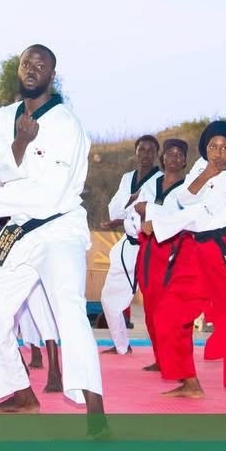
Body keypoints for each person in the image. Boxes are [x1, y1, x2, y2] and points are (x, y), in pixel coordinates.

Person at [0, 44, 104, 418]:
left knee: (68, 311)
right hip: (16, 228)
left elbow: (48, 193)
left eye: (40, 65)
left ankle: (96, 410)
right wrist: (21, 142)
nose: (31, 68)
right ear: (18, 69)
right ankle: (20, 394)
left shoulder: (66, 124)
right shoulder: (5, 116)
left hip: (58, 228)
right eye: (26, 62)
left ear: (51, 76)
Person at [138, 122, 226, 413]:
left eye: (224, 148)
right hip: (196, 249)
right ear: (205, 147)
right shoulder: (202, 166)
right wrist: (206, 173)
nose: (218, 153)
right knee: (169, 313)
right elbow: (184, 197)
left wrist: (157, 222)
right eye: (212, 147)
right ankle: (189, 381)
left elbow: (201, 211)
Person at [0, 152, 62, 387]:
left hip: (30, 240)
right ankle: (18, 369)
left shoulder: (34, 171)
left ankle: (54, 371)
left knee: (39, 306)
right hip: (1, 241)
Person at [129, 138, 189, 373]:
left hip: (174, 249)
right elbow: (135, 212)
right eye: (170, 153)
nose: (174, 158)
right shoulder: (151, 184)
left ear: (185, 160)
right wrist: (142, 222)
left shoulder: (188, 189)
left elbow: (181, 217)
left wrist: (151, 215)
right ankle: (160, 357)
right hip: (147, 249)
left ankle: (176, 359)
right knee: (151, 306)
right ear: (162, 158)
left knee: (170, 308)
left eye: (179, 154)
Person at [98, 135, 161, 355]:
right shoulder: (127, 178)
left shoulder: (161, 180)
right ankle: (122, 345)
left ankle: (164, 354)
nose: (145, 154)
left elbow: (152, 212)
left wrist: (130, 207)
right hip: (128, 246)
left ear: (156, 154)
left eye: (150, 150)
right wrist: (132, 201)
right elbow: (114, 211)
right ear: (135, 153)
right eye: (141, 150)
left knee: (155, 303)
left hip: (152, 248)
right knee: (108, 298)